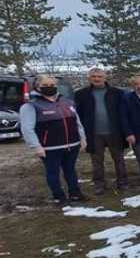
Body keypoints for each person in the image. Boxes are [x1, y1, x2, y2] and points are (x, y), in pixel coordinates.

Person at [20, 75, 87, 204]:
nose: (49, 88)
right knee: (53, 173)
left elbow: (77, 121)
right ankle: (59, 197)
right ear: (37, 87)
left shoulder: (67, 102)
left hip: (72, 144)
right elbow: (27, 128)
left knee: (70, 170)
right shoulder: (31, 106)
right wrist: (36, 146)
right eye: (45, 86)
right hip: (49, 147)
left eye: (52, 85)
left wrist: (82, 137)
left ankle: (75, 193)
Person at [74, 68, 128, 194]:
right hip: (93, 133)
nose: (97, 79)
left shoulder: (117, 93)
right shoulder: (81, 94)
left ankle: (123, 182)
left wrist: (125, 132)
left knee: (119, 159)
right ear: (89, 78)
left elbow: (123, 113)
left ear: (105, 77)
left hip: (114, 132)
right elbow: (79, 115)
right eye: (94, 76)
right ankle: (99, 184)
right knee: (97, 161)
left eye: (99, 76)